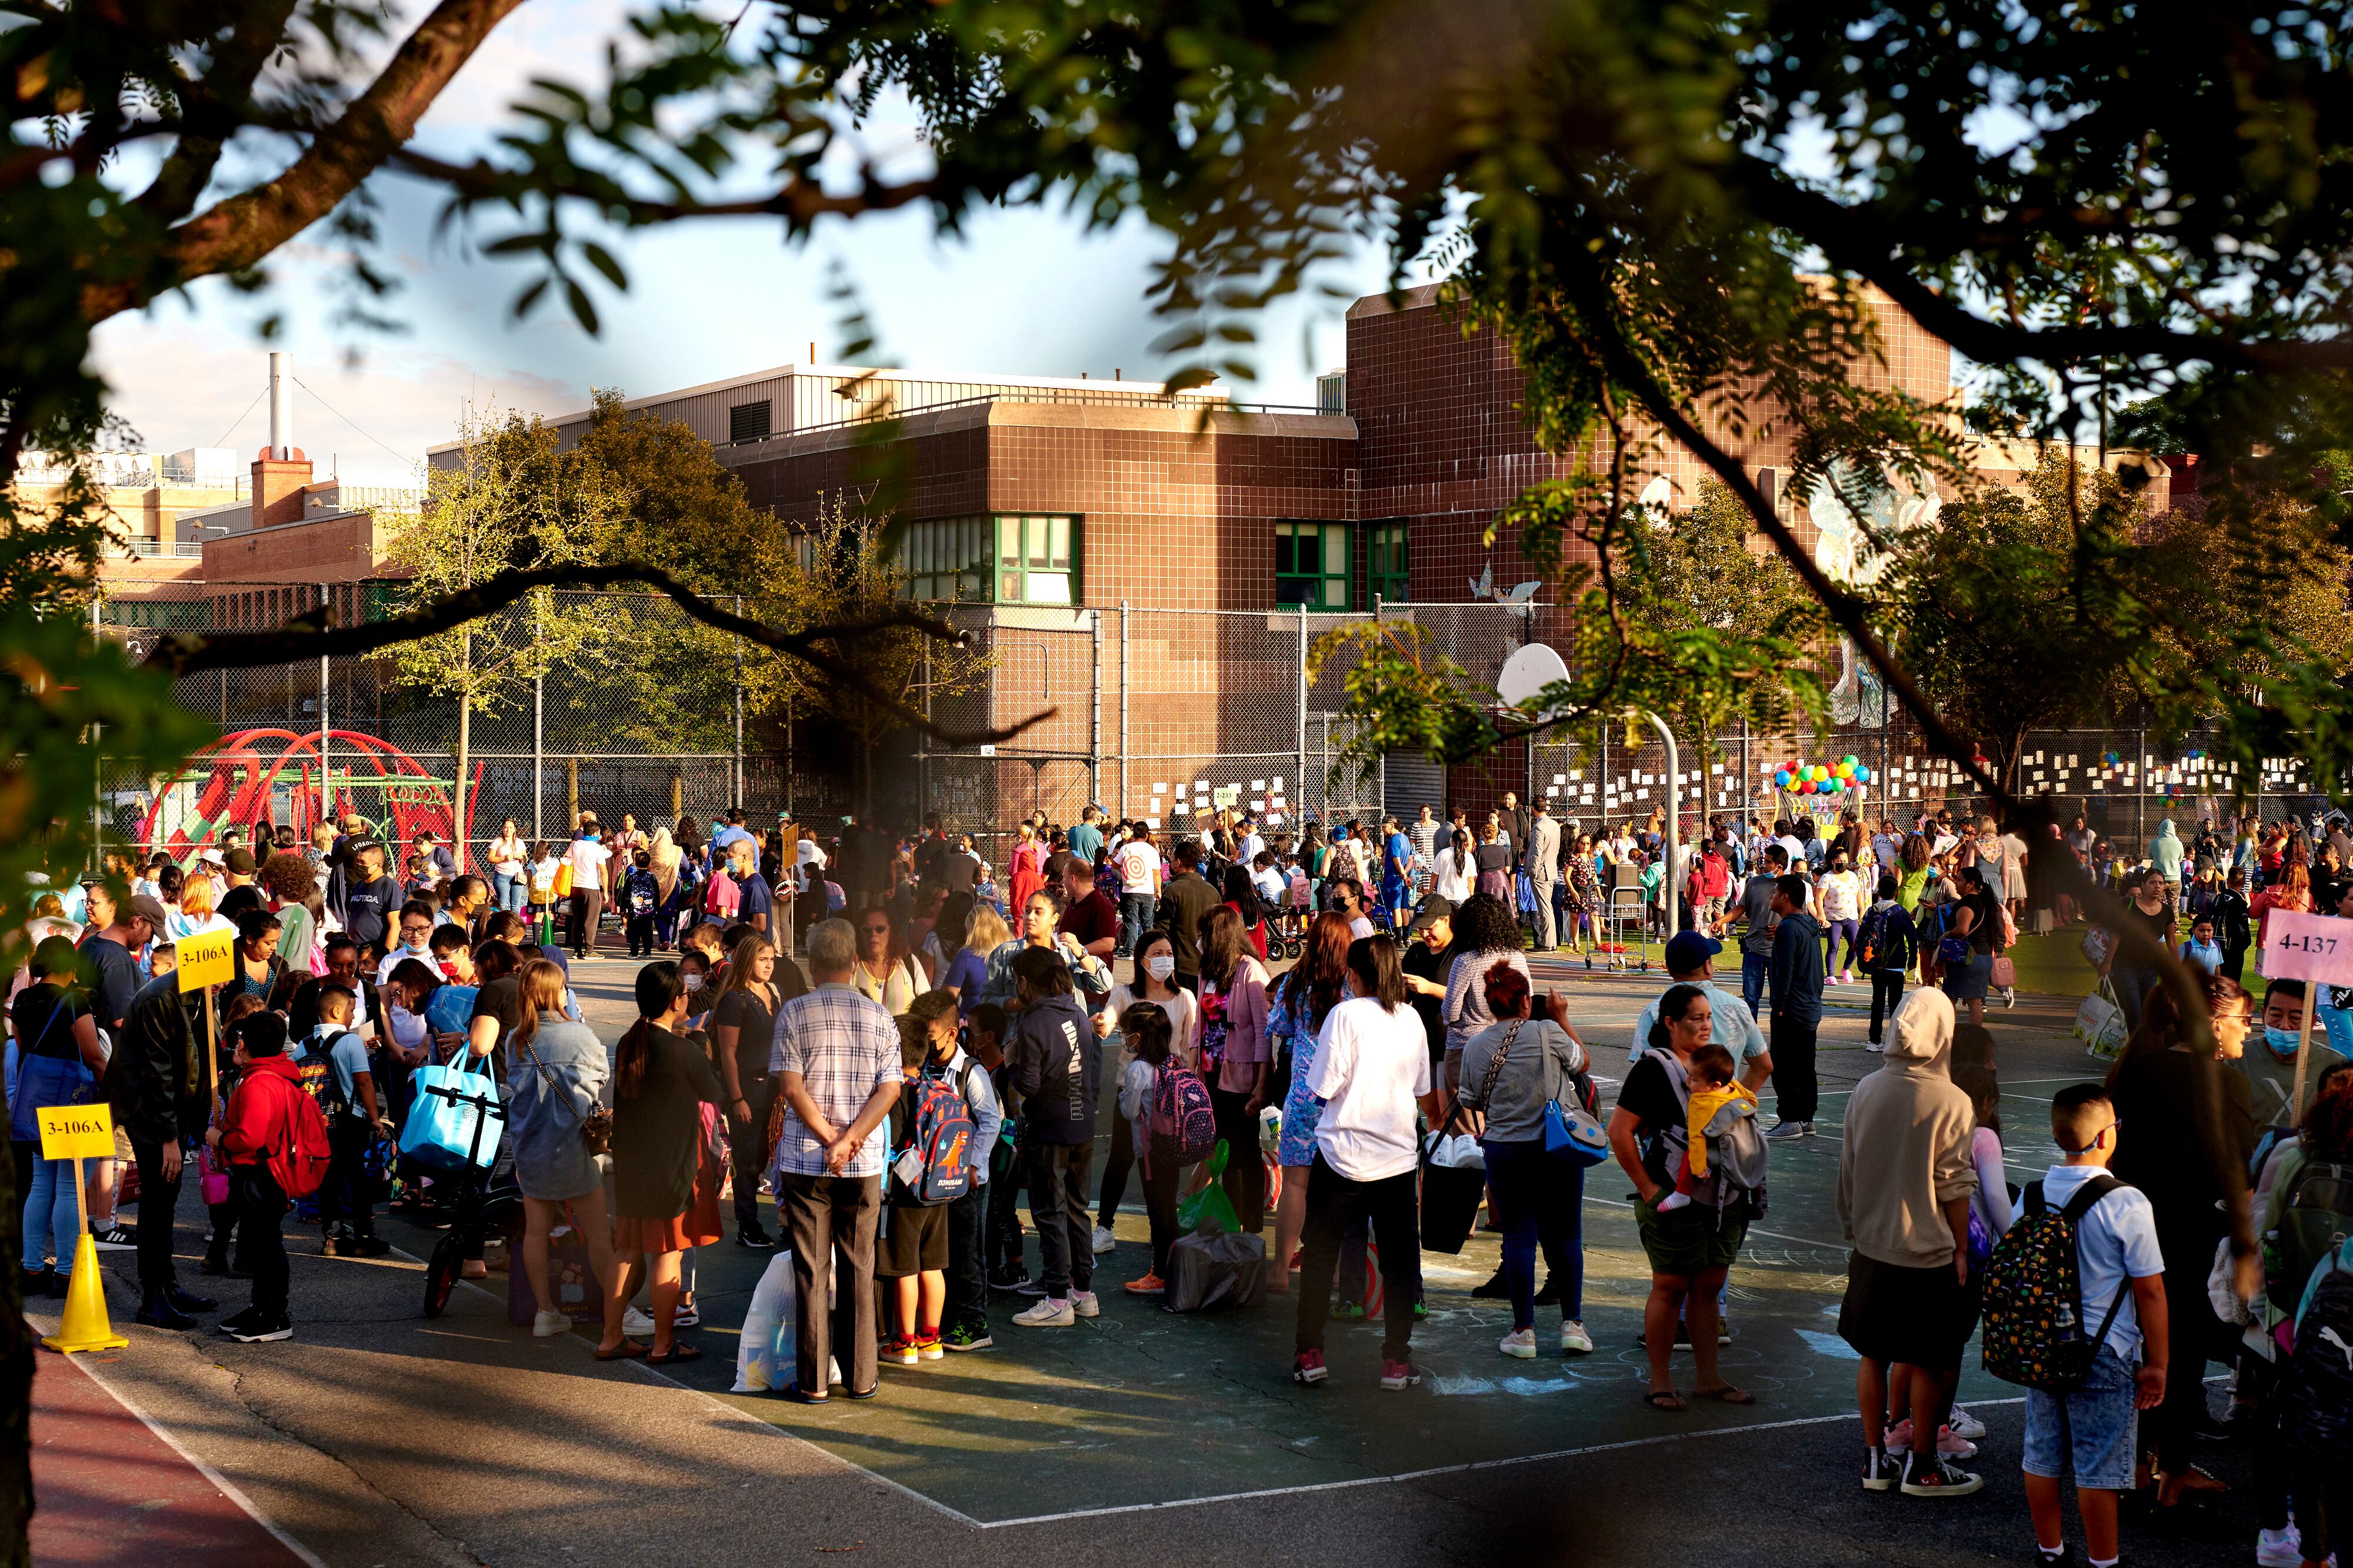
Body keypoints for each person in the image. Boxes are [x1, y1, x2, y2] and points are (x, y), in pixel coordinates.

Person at [2107, 970, 2256, 1509]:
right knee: (2183, 1352)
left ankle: (2138, 1465)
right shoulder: (2223, 1083)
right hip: (2191, 1230)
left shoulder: (2139, 1065)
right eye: (2242, 1020)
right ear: (2214, 1025)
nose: (2248, 1030)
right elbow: (2232, 1169)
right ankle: (2169, 1471)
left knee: (2143, 1346)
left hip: (2134, 1224)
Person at [1836, 989, 1981, 1496]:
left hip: (1873, 1245)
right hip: (1928, 1252)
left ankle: (1875, 1460)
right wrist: (1962, 1249)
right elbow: (1955, 1185)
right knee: (1925, 1358)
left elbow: (1849, 1165)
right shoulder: (1953, 1099)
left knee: (1873, 1354)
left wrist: (1853, 1226)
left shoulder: (1867, 1088)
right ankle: (1922, 1465)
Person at [2019, 1085, 2171, 1568]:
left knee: (2041, 1456)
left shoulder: (2033, 1194)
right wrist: (2158, 1365)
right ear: (2107, 1137)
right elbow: (2150, 1290)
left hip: (2044, 1344)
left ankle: (2050, 1551)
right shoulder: (2127, 1202)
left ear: (2057, 1134)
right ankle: (2104, 1561)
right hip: (2104, 1349)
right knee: (2099, 1465)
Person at [1292, 936, 1442, 1390]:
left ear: (1355, 975)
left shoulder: (1345, 1014)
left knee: (1320, 1256)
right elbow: (1422, 1090)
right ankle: (1397, 1362)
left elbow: (1323, 1085)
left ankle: (1310, 1354)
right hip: (1397, 1159)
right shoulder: (1412, 1018)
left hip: (1342, 1156)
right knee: (1399, 1264)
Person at [769, 918, 905, 1402]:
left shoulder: (793, 1013)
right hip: (863, 1161)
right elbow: (890, 1089)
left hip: (807, 1159)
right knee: (858, 1267)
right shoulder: (878, 1016)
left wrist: (830, 1138)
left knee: (812, 1271)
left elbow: (790, 1086)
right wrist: (850, 1141)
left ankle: (813, 1382)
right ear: (853, 963)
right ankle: (861, 1376)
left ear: (811, 961)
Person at [1608, 983, 1752, 1410]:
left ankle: (1708, 1379)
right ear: (1670, 1023)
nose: (1706, 1025)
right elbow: (1620, 1131)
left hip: (1723, 1196)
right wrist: (1651, 1190)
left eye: (1708, 1017)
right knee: (1670, 1286)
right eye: (1696, 1019)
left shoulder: (1712, 1064)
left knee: (1709, 1285)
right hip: (1674, 1195)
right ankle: (1660, 1380)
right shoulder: (1654, 1068)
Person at [1455, 959, 1595, 1357]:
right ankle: (1573, 1325)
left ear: (1490, 1004)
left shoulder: (1476, 1045)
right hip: (1556, 1148)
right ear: (1523, 1004)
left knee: (1519, 1239)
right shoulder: (1547, 1031)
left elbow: (1469, 1099)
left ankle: (1524, 1332)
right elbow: (1582, 1062)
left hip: (1505, 1149)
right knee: (1567, 1235)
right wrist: (1562, 1017)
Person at [604, 962, 725, 1363]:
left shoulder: (629, 1041)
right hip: (673, 1166)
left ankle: (610, 1337)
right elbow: (714, 1091)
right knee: (667, 1254)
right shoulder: (684, 1050)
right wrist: (702, 1042)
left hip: (633, 1163)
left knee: (627, 1249)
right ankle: (662, 1343)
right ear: (675, 1002)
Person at [501, 959, 622, 1346]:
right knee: (598, 1233)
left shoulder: (516, 1039)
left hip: (531, 1146)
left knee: (535, 1231)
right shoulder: (580, 1035)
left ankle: (545, 1311)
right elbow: (600, 1077)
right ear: (559, 990)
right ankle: (615, 1312)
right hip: (575, 1146)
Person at [107, 965, 218, 1329]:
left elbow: (196, 1058)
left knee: (166, 1198)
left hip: (169, 1112)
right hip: (149, 1113)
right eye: (224, 975)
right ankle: (152, 1298)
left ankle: (168, 1284)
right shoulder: (160, 997)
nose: (226, 984)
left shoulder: (198, 996)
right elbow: (158, 1071)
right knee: (156, 1201)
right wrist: (169, 1136)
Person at [1006, 943, 1101, 1327]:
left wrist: (1010, 1063)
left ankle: (1058, 1299)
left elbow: (1028, 1083)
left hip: (1051, 1126)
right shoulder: (1076, 1012)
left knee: (1049, 1211)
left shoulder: (1034, 1022)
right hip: (1082, 1124)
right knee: (1077, 1209)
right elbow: (1089, 1067)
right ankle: (1082, 1293)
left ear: (1026, 982)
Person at [1091, 929, 1199, 1262]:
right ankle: (1105, 1227)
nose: (1166, 958)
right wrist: (1104, 1024)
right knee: (1121, 1159)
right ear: (1142, 960)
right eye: (1158, 952)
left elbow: (1191, 1046)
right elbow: (1110, 1017)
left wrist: (1189, 1086)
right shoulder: (1125, 994)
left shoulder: (1185, 998)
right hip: (1132, 1093)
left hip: (1171, 1096)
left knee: (1163, 1168)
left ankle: (1162, 1234)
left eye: (1169, 952)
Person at [205, 1012, 311, 1343]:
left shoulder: (260, 1082)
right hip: (267, 1171)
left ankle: (275, 1315)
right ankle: (261, 1306)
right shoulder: (273, 1074)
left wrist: (219, 1139)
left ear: (245, 1043)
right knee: (260, 1243)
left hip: (262, 1174)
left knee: (267, 1246)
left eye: (240, 1037)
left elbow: (250, 1137)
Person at [13, 936, 106, 1297]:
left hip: (35, 1101)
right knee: (70, 1187)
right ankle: (67, 1272)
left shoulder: (22, 999)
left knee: (40, 1184)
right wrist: (110, 1092)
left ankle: (32, 1268)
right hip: (72, 1102)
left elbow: (24, 1048)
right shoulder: (72, 1001)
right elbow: (93, 1056)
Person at [1267, 911, 1354, 1295]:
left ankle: (1281, 1272)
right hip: (1345, 1096)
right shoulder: (1355, 984)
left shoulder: (1295, 982)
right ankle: (1337, 1274)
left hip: (1303, 1092)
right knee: (1340, 1191)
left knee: (1296, 1186)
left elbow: (1277, 1028)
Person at [879, 990, 966, 1363]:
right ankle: (932, 1339)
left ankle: (905, 1341)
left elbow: (893, 1145)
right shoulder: (937, 1086)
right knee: (934, 1266)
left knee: (905, 1269)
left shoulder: (896, 1092)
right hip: (940, 1189)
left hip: (906, 1194)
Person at [711, 934, 806, 1248]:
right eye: (762, 959)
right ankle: (747, 1225)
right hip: (748, 1092)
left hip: (776, 1091)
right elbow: (728, 1053)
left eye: (772, 959)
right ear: (747, 960)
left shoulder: (774, 992)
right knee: (749, 1161)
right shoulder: (734, 999)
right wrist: (737, 1097)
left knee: (776, 1159)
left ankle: (784, 1221)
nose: (769, 965)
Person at [1195, 905, 1271, 1234]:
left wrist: (1261, 1083)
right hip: (1212, 1073)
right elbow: (1201, 1021)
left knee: (1245, 1152)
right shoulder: (1207, 970)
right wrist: (1196, 1064)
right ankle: (1232, 1221)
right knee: (1224, 1149)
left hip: (1241, 1078)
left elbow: (1264, 1031)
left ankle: (1250, 1224)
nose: (1200, 941)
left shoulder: (1251, 972)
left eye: (1204, 935)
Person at [299, 982, 391, 1257]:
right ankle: (364, 1237)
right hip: (350, 1120)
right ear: (337, 1011)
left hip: (318, 1122)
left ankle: (332, 1238)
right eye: (351, 1010)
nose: (353, 1017)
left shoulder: (303, 1046)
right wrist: (375, 1119)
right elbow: (364, 1082)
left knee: (327, 1178)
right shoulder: (350, 1041)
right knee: (356, 1177)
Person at [1114, 1002, 1189, 1292]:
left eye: (1127, 1034)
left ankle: (1159, 1274)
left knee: (1157, 1213)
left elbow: (1130, 1112)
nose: (1125, 1039)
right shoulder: (1173, 1061)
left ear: (1141, 1036)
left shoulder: (1137, 1070)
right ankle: (1172, 1268)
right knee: (1168, 1208)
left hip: (1150, 1151)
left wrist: (1123, 1098)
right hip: (1173, 1146)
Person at [1441, 892, 1528, 1095]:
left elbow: (1451, 1012)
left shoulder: (1465, 961)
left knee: (1466, 1121)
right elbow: (1527, 1001)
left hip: (1466, 1045)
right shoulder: (1517, 957)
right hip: (1510, 1045)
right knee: (1501, 1114)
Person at [1656, 1045, 1754, 1215]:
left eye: (1693, 1079)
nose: (1687, 1081)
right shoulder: (1733, 1086)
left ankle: (1682, 1193)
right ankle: (1757, 1197)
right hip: (1741, 1141)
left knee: (1690, 1154)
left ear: (1714, 1085)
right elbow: (1751, 1098)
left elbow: (1697, 1137)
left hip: (1716, 1145)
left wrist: (1699, 1166)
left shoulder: (1700, 1103)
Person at [1765, 873, 1824, 1139]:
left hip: (1792, 1007)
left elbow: (1785, 970)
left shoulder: (1790, 927)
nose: (1772, 896)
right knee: (1804, 1064)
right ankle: (1805, 1117)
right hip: (1809, 1005)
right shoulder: (1807, 925)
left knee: (1784, 1064)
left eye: (1775, 892)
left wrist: (1779, 1004)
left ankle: (1790, 1118)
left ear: (1786, 897)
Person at [2107, 868, 2176, 1033]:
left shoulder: (2167, 912)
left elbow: (2172, 942)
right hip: (2126, 966)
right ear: (2144, 886)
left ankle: (2142, 1049)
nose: (2157, 887)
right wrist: (2107, 963)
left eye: (2161, 883)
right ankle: (2136, 1052)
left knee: (2147, 1012)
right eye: (2153, 883)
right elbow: (2116, 935)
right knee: (2134, 1011)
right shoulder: (2128, 905)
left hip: (2150, 969)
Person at [1859, 875, 1920, 1051]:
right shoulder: (1900, 913)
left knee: (1877, 1001)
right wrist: (1912, 959)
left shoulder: (1872, 911)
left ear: (1879, 891)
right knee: (1896, 1002)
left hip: (1876, 963)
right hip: (1896, 962)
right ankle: (1894, 1040)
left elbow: (1863, 935)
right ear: (1898, 893)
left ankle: (1874, 1040)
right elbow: (1912, 937)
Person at [1152, 839, 1222, 991]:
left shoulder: (1173, 890)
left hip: (1181, 967)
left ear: (1177, 863)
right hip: (1207, 965)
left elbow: (1161, 929)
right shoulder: (1212, 891)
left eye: (1171, 861)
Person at [1734, 845, 1789, 1019]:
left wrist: (1782, 929)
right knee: (1751, 999)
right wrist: (1721, 921)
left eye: (1768, 862)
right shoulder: (1754, 883)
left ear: (1779, 866)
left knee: (1779, 1002)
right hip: (1753, 949)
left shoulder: (1793, 887)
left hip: (1779, 952)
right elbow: (1741, 908)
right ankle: (1751, 1043)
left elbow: (1802, 919)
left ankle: (1780, 1043)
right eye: (1764, 861)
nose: (1763, 865)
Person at [1112, 825, 1163, 959]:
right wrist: (1158, 891)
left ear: (1134, 834)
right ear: (1147, 835)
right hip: (1148, 891)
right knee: (1147, 923)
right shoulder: (1152, 851)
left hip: (1129, 890)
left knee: (1131, 921)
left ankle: (1129, 950)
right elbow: (1157, 873)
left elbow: (1115, 865)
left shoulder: (1126, 848)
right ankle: (1150, 951)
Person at [1818, 845, 1865, 986]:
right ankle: (1831, 975)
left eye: (1845, 861)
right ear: (1833, 861)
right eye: (1839, 861)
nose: (1842, 863)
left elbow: (1858, 893)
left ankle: (1846, 969)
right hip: (1833, 918)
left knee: (1855, 945)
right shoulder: (1827, 878)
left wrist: (1861, 909)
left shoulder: (1852, 876)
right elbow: (1819, 897)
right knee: (1833, 946)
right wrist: (1821, 915)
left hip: (1851, 917)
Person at [564, 821, 611, 960]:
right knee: (591, 920)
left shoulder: (575, 845)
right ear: (595, 833)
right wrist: (606, 892)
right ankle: (589, 950)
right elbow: (603, 872)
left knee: (577, 919)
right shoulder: (597, 849)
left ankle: (577, 950)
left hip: (576, 887)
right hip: (591, 887)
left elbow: (566, 862)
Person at [1525, 803, 1562, 950]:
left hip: (1541, 871)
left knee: (1544, 908)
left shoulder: (1539, 827)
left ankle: (1547, 943)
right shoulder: (1554, 825)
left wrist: (1533, 871)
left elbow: (1537, 852)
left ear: (1533, 808)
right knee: (1547, 907)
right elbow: (1557, 847)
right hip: (1551, 869)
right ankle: (1550, 942)